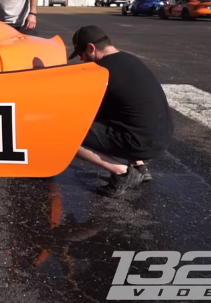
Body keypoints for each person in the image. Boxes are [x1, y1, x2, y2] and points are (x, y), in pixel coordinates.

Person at [68, 25, 174, 198]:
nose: (81, 59)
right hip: (162, 137)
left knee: (64, 131)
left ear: (91, 48)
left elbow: (84, 110)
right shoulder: (129, 60)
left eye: (81, 54)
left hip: (143, 142)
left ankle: (122, 173)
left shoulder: (103, 71)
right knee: (120, 113)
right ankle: (139, 166)